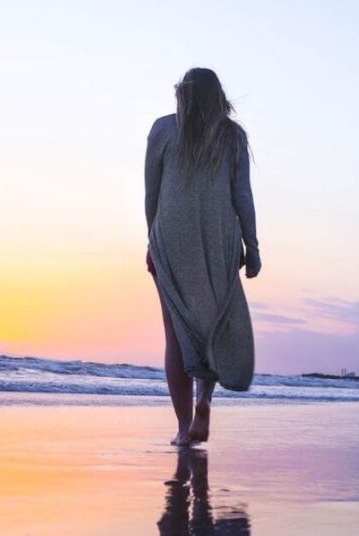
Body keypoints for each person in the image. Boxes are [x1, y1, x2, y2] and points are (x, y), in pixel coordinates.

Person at [145, 67, 260, 447]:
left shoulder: (163, 129)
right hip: (218, 240)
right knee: (212, 327)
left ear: (182, 94)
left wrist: (152, 241)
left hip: (172, 240)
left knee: (176, 335)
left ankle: (182, 428)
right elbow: (241, 195)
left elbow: (152, 193)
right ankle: (204, 401)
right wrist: (252, 248)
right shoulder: (233, 137)